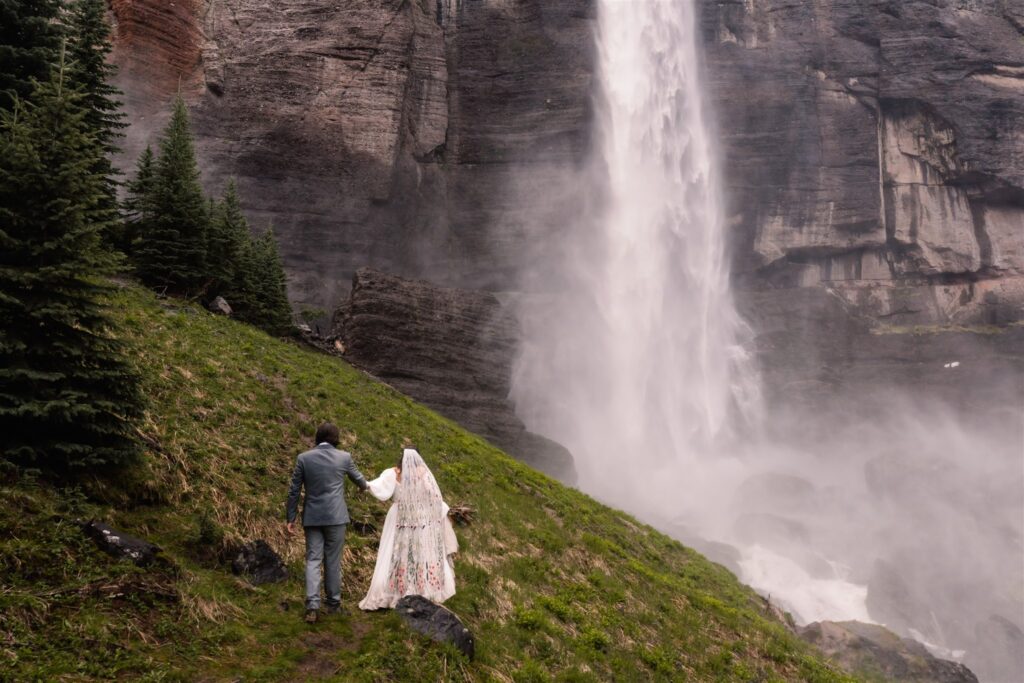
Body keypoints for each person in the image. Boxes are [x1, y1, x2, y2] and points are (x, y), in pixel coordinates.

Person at [286, 422, 368, 623]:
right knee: (333, 561)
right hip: (336, 517)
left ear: (317, 437)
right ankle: (333, 604)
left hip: (312, 517)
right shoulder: (344, 458)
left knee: (313, 560)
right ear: (336, 438)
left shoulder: (303, 458)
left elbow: (294, 491)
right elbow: (361, 482)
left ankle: (312, 606)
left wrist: (291, 518)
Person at [359, 448, 458, 610]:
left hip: (399, 515)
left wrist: (366, 485)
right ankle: (418, 587)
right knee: (417, 552)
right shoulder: (424, 474)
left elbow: (380, 488)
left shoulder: (393, 473)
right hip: (417, 517)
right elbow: (433, 497)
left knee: (394, 550)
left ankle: (391, 589)